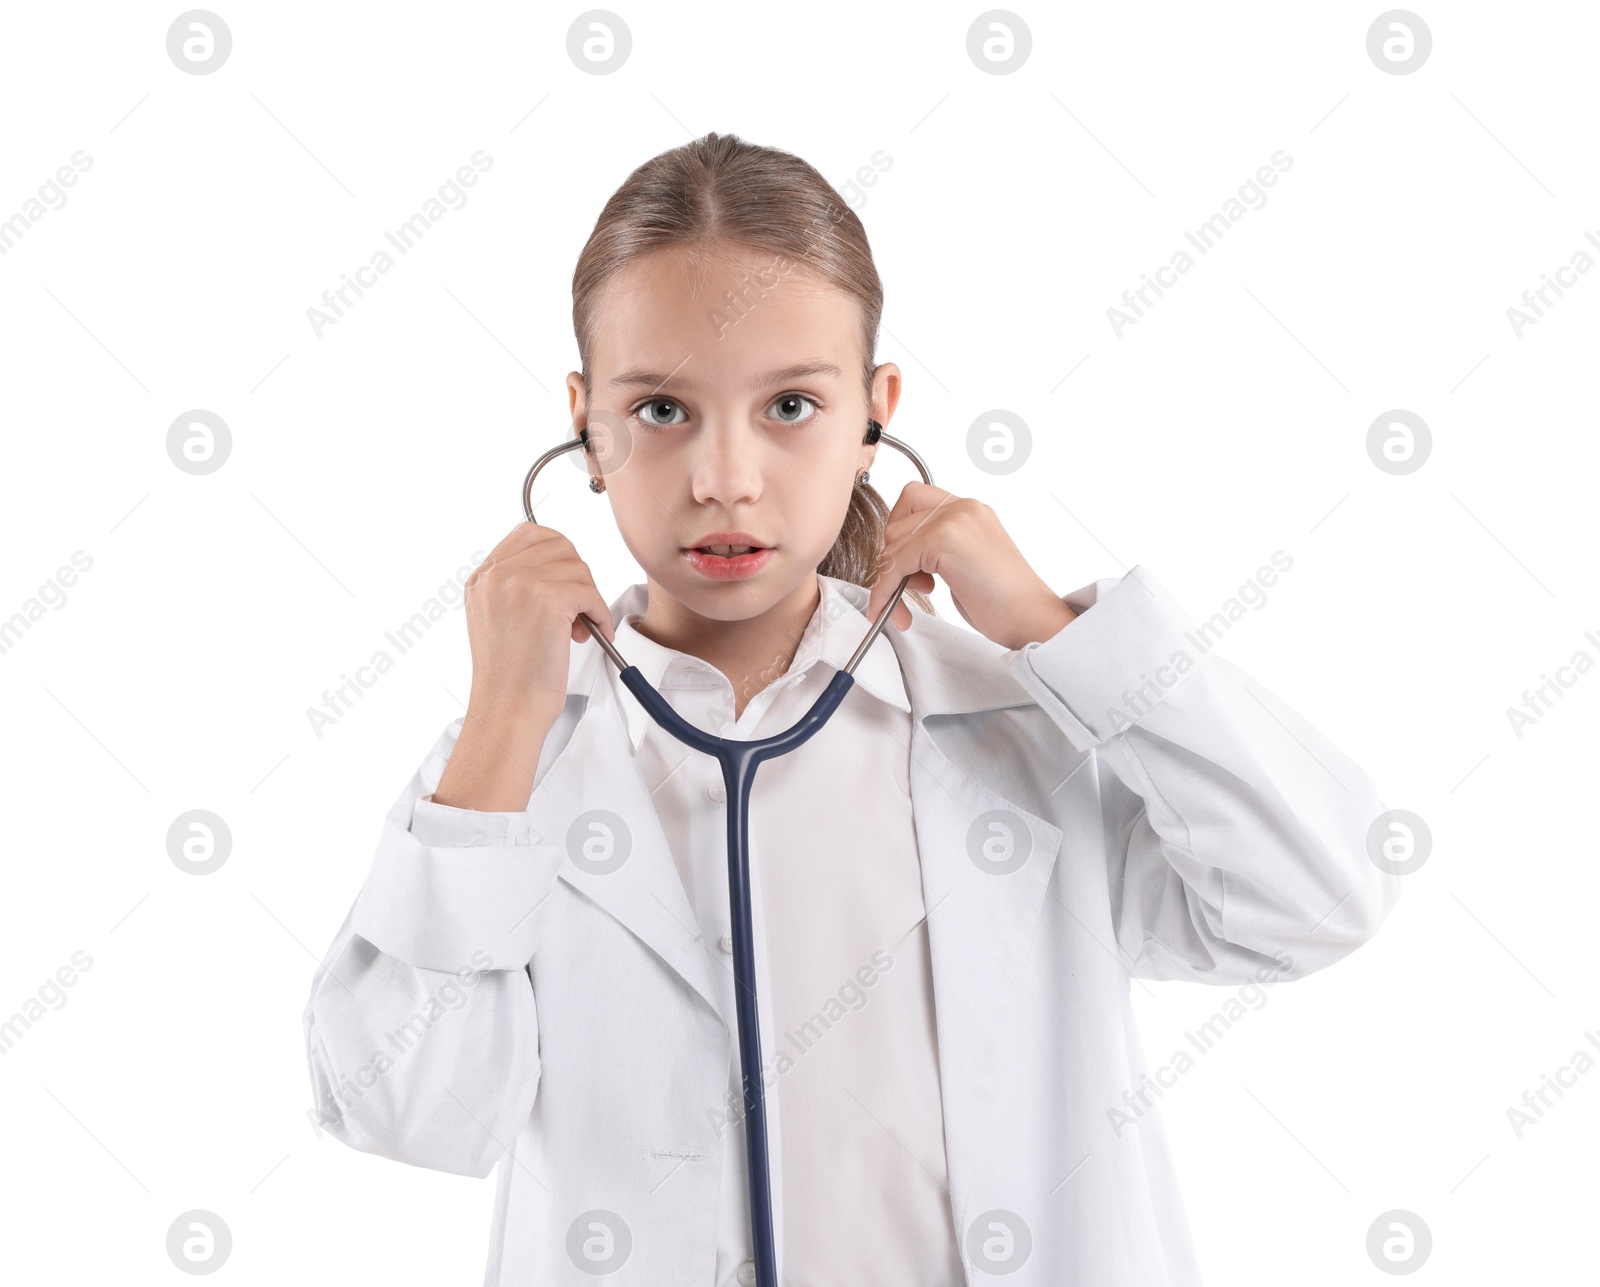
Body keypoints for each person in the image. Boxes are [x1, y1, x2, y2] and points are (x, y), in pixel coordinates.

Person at [302, 132, 1401, 1286]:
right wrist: (505, 720)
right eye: (662, 410)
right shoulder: (511, 768)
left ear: (874, 413)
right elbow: (404, 1112)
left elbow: (1317, 894)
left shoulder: (1015, 730)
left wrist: (1051, 630)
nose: (726, 475)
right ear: (586, 427)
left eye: (788, 404)